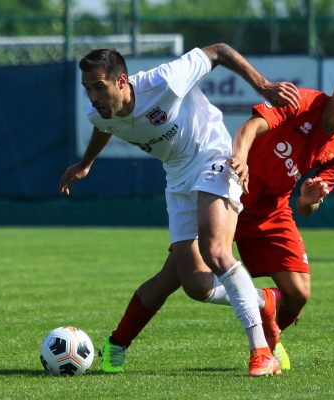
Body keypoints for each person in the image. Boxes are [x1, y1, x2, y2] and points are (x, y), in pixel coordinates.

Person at [99, 64, 334, 372]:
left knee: (299, 293)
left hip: (272, 210)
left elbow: (307, 208)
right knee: (181, 280)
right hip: (229, 189)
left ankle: (268, 340)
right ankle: (116, 344)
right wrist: (241, 160)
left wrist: (307, 201)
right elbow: (249, 129)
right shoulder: (300, 102)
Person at [59, 43, 300, 377]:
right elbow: (105, 126)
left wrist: (262, 85)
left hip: (215, 157)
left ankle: (261, 352)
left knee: (216, 252)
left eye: (99, 87)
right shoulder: (97, 112)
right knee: (196, 287)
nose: (93, 96)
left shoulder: (164, 81)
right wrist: (86, 163)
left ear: (122, 82)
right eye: (87, 89)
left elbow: (218, 51)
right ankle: (265, 302)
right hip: (177, 179)